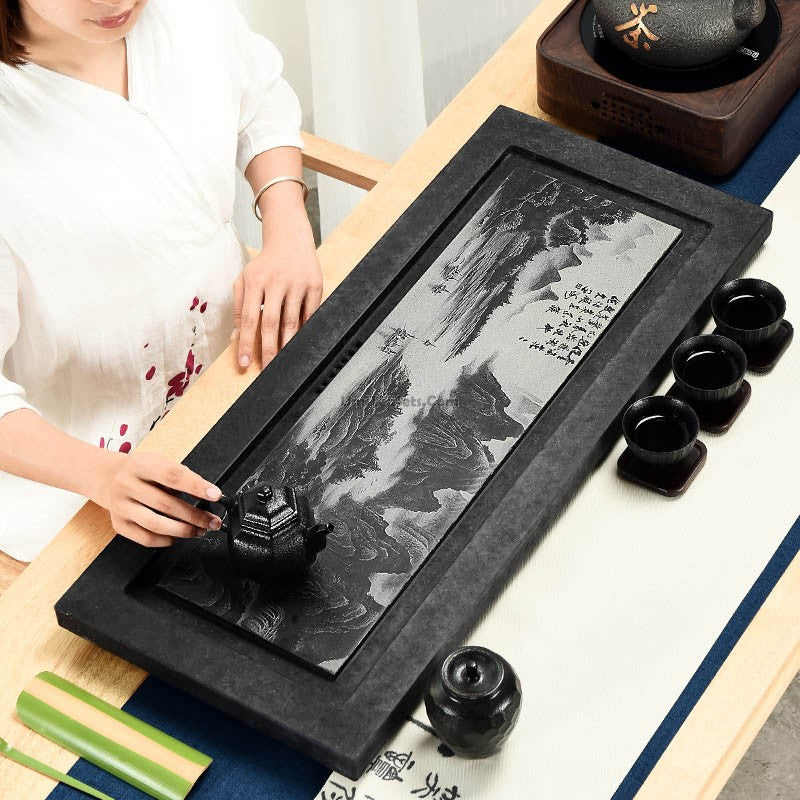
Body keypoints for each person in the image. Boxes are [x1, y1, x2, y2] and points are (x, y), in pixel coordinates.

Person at [0, 0, 323, 563]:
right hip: (82, 488)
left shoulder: (186, 14)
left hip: (238, 382)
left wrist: (288, 227)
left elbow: (260, 98)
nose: (119, 2)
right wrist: (102, 475)